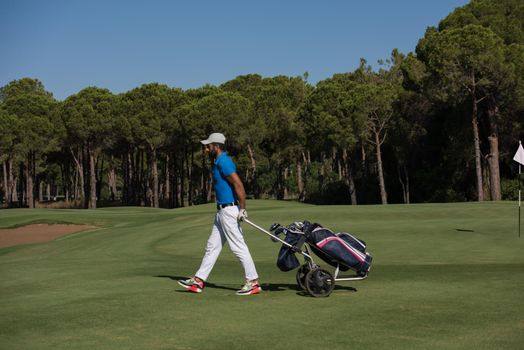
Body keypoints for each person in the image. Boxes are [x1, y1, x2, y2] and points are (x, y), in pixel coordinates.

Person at [178, 132, 261, 296]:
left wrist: (242, 208)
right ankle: (198, 281)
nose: (206, 148)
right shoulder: (217, 162)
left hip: (229, 211)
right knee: (212, 247)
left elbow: (238, 184)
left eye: (208, 145)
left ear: (216, 146)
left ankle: (253, 282)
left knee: (238, 247)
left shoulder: (224, 162)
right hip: (221, 211)